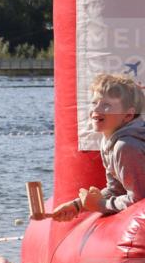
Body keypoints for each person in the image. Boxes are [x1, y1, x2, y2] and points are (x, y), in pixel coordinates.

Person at [49, 73, 145, 221]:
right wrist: (78, 205)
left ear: (128, 115)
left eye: (106, 105)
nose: (96, 110)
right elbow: (116, 190)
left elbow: (139, 202)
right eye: (94, 103)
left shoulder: (126, 147)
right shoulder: (108, 140)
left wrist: (101, 204)